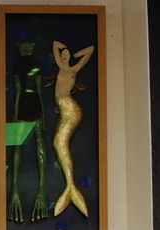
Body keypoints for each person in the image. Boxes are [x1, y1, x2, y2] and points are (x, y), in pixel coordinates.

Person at [50, 40, 96, 217]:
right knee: (59, 144)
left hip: (71, 109)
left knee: (59, 143)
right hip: (64, 109)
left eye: (66, 55)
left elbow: (90, 49)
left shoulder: (73, 69)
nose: (64, 57)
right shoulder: (61, 67)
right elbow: (55, 44)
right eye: (62, 55)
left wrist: (75, 54)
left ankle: (70, 186)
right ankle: (70, 186)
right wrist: (63, 48)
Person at [7, 41, 49, 223]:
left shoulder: (20, 68)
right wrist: (42, 113)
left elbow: (19, 92)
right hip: (32, 104)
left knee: (21, 144)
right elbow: (36, 91)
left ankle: (28, 188)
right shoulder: (33, 67)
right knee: (33, 141)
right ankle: (25, 188)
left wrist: (16, 114)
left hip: (25, 104)